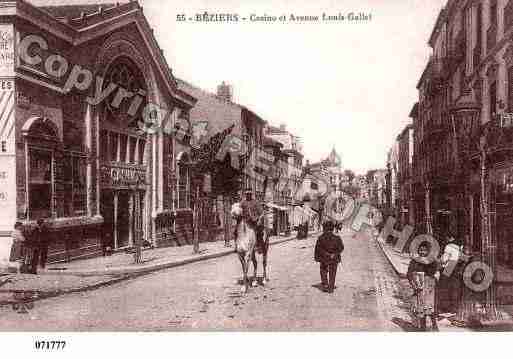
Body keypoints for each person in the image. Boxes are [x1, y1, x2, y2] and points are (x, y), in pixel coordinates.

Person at [407, 242, 440, 331]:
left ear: (428, 251)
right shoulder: (415, 261)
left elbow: (436, 272)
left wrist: (434, 279)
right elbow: (409, 273)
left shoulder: (432, 261)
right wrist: (413, 283)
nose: (422, 252)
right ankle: (422, 327)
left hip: (429, 288)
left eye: (424, 250)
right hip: (419, 288)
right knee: (420, 308)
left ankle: (434, 325)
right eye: (421, 250)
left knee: (429, 307)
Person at [314, 221, 345, 293]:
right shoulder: (337, 238)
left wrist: (324, 255)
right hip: (334, 258)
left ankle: (325, 284)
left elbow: (318, 249)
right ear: (332, 228)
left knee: (323, 270)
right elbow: (341, 248)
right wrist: (335, 254)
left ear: (324, 228)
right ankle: (331, 287)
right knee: (333, 272)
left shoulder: (321, 238)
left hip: (324, 258)